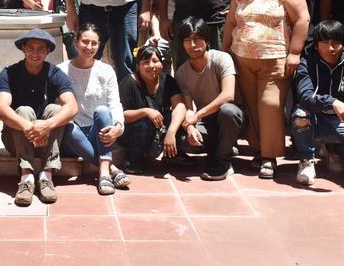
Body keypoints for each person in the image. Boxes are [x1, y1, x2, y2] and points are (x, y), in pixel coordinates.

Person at [222, 0, 310, 179]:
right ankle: (259, 151)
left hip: (275, 59)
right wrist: (224, 50)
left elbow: (302, 19)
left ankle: (270, 157)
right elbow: (231, 22)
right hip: (243, 59)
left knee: (269, 106)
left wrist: (295, 52)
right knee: (252, 107)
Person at [0, 29, 78, 206]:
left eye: (41, 49)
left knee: (56, 109)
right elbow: (1, 108)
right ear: (23, 49)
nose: (35, 53)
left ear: (48, 51)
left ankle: (46, 176)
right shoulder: (9, 73)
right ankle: (26, 178)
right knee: (23, 110)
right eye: (30, 48)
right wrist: (28, 127)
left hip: (46, 141)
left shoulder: (55, 74)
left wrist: (47, 125)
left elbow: (72, 107)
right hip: (16, 140)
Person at [291, 20, 344, 186]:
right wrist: (332, 102)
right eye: (325, 42)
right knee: (300, 114)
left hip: (341, 122)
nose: (331, 48)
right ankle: (306, 160)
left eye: (336, 42)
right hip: (314, 119)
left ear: (343, 45)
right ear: (316, 46)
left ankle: (333, 150)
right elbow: (305, 96)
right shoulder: (306, 63)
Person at [168, 17, 245, 181]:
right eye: (187, 40)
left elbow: (228, 95)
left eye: (197, 39)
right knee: (185, 142)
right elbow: (188, 108)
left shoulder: (222, 58)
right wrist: (190, 127)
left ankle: (222, 161)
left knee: (228, 111)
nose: (192, 45)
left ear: (207, 40)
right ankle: (218, 149)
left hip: (233, 118)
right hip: (206, 120)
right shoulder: (181, 73)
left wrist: (197, 115)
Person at [58, 24, 129, 195]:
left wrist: (119, 126)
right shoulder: (61, 70)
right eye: (85, 41)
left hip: (98, 132)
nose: (89, 47)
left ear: (99, 45)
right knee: (68, 126)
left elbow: (115, 103)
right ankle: (110, 169)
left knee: (103, 111)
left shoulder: (106, 70)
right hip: (73, 136)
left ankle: (104, 172)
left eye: (94, 43)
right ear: (76, 41)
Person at [119, 45, 175, 173]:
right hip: (131, 133)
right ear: (138, 66)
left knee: (175, 117)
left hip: (158, 131)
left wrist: (171, 132)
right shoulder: (129, 82)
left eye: (155, 61)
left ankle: (174, 155)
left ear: (161, 64)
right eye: (146, 62)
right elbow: (121, 115)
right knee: (147, 120)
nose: (151, 66)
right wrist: (145, 111)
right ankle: (132, 159)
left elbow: (179, 105)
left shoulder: (168, 80)